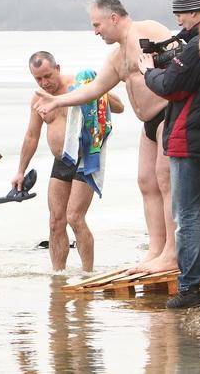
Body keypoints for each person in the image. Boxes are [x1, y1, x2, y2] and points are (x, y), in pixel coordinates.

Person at [34, 0, 179, 274]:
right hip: (147, 124)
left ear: (114, 18)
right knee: (146, 183)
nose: (95, 31)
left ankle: (172, 251)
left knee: (165, 181)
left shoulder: (149, 29)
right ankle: (156, 248)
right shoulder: (115, 57)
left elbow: (183, 60)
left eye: (97, 25)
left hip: (167, 113)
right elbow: (94, 89)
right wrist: (57, 101)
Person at [139, 0, 200, 309]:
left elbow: (171, 86)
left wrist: (148, 71)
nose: (178, 21)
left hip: (189, 136)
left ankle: (189, 286)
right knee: (198, 212)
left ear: (193, 12)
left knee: (185, 214)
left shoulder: (198, 45)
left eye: (180, 14)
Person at [14, 51, 124, 272]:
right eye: (38, 79)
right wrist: (20, 171)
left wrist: (96, 90)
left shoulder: (80, 85)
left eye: (47, 76)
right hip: (61, 161)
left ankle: (87, 274)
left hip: (86, 159)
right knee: (56, 222)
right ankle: (58, 277)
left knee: (74, 217)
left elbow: (119, 107)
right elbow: (31, 136)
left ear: (58, 68)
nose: (44, 83)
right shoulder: (38, 99)